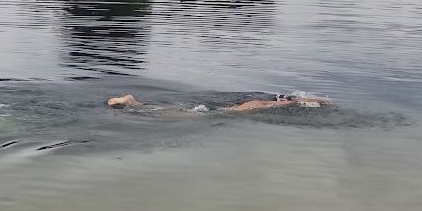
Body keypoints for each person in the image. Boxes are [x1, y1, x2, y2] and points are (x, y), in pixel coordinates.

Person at [106, 92, 330, 114]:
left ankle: (132, 102)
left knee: (167, 111)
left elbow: (293, 101)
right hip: (213, 113)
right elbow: (294, 102)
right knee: (169, 114)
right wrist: (320, 101)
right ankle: (131, 103)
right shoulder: (259, 105)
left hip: (217, 111)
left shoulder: (256, 104)